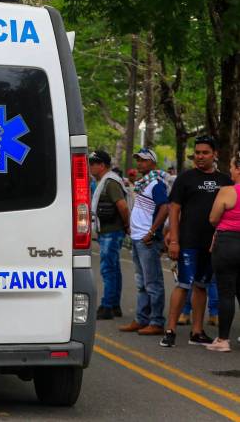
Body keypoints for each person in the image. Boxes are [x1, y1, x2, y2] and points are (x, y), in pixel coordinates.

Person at [160, 136, 231, 348]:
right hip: (187, 242)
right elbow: (174, 209)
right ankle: (170, 330)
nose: (200, 157)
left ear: (215, 154)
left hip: (212, 244)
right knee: (183, 284)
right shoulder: (185, 178)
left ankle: (197, 332)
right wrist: (174, 238)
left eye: (205, 153)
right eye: (197, 153)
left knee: (202, 286)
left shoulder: (225, 181)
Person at [119, 148, 169, 336]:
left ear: (153, 163)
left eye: (144, 160)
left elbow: (165, 208)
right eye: (138, 160)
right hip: (138, 238)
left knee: (152, 283)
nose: (139, 163)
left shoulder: (155, 184)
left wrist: (152, 231)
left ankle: (156, 321)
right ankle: (141, 319)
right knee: (141, 282)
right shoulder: (142, 184)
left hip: (147, 240)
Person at [90, 150, 130, 320]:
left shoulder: (110, 182)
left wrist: (126, 225)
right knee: (114, 268)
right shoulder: (103, 182)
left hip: (112, 232)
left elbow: (122, 206)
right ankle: (114, 305)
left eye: (93, 163)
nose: (90, 166)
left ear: (102, 165)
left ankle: (107, 306)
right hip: (108, 231)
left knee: (108, 269)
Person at [206, 153, 240, 352]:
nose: (230, 170)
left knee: (226, 293)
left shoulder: (227, 191)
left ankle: (223, 340)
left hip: (227, 243)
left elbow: (213, 218)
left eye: (233, 167)